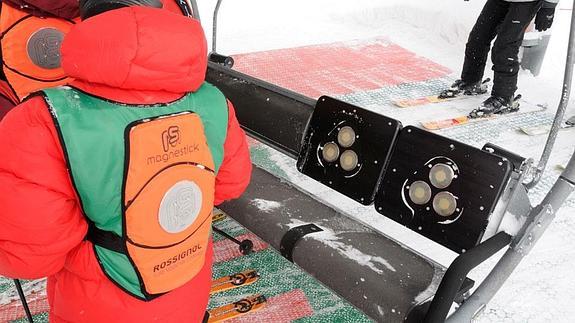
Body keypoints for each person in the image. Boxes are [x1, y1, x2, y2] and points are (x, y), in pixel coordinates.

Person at [0, 0, 252, 322]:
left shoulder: (41, 120)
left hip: (95, 307)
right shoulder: (213, 100)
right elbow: (230, 184)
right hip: (187, 291)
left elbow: (26, 256)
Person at [441, 0, 559, 117]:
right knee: (478, 38)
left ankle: (504, 97)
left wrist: (549, 5)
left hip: (526, 2)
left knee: (504, 47)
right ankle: (471, 81)